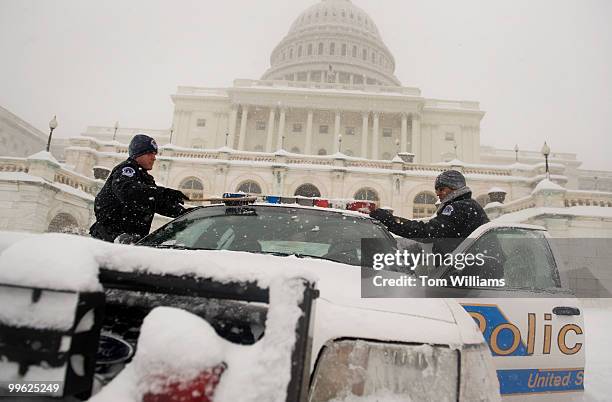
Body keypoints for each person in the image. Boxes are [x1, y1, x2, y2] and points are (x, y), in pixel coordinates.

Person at [90, 134, 189, 243]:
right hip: (110, 239)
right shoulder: (126, 170)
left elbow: (157, 203)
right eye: (150, 153)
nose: (154, 157)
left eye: (155, 153)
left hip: (133, 240)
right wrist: (164, 192)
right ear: (138, 154)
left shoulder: (145, 178)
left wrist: (186, 213)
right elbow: (127, 191)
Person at [370, 170, 489, 256]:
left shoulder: (457, 207)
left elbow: (429, 231)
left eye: (441, 189)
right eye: (436, 189)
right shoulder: (467, 205)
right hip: (474, 264)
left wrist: (391, 222)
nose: (437, 193)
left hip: (465, 270)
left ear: (455, 188)